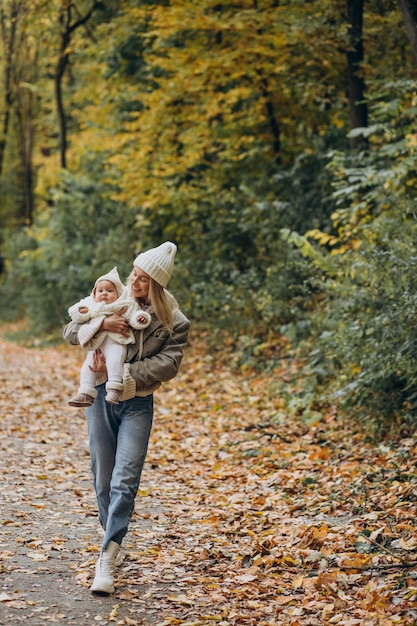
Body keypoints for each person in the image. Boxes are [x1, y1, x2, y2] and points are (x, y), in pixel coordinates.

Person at [63, 242, 190, 595]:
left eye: (144, 280)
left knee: (124, 481)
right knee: (103, 480)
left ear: (158, 286)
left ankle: (107, 555)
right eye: (134, 274)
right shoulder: (115, 299)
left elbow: (169, 364)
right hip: (102, 399)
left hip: (138, 405)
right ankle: (113, 538)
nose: (135, 282)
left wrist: (127, 374)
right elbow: (71, 330)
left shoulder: (175, 322)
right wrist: (103, 321)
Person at [67, 266, 151, 407]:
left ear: (118, 293)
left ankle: (114, 389)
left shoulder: (123, 305)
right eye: (100, 290)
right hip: (96, 346)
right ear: (94, 293)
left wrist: (140, 318)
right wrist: (82, 312)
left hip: (116, 343)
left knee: (114, 361)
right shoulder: (91, 304)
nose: (104, 294)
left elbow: (134, 316)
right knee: (88, 366)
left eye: (109, 290)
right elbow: (75, 313)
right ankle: (85, 393)